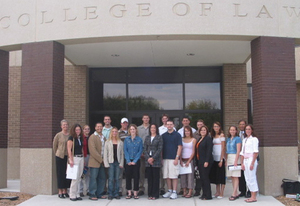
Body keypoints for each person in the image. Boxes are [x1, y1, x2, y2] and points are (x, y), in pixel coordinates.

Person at [162, 120, 182, 200]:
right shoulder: (163, 135)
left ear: (173, 125)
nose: (169, 126)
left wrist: (177, 158)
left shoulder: (177, 135)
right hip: (165, 158)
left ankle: (174, 192)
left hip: (174, 158)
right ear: (166, 126)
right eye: (168, 124)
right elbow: (161, 148)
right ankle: (169, 190)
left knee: (174, 176)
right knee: (167, 176)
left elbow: (180, 147)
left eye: (171, 124)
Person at [143, 124, 163, 200]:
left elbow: (160, 149)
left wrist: (153, 158)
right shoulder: (147, 137)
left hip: (156, 161)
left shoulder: (159, 137)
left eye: (154, 128)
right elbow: (144, 148)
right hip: (148, 161)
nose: (153, 129)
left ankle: (155, 194)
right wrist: (148, 158)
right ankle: (150, 194)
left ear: (156, 129)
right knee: (149, 178)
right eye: (151, 128)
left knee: (156, 178)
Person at [240, 124, 259, 203]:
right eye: (246, 129)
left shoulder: (254, 139)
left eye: (249, 129)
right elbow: (242, 152)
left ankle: (254, 196)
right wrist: (242, 163)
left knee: (252, 177)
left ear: (252, 130)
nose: (247, 131)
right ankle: (251, 194)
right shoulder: (244, 140)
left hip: (251, 159)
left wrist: (252, 163)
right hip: (245, 159)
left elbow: (255, 152)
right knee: (247, 178)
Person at [104, 127, 124, 200]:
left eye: (116, 131)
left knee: (117, 178)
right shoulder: (107, 142)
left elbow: (122, 154)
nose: (114, 133)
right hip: (110, 162)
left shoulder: (120, 142)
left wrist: (121, 163)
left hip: (118, 162)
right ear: (111, 133)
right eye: (113, 131)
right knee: (111, 178)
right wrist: (106, 163)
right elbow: (105, 153)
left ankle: (116, 193)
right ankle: (110, 193)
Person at [124, 124, 143, 199]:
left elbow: (140, 150)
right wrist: (128, 160)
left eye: (133, 129)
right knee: (128, 176)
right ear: (129, 130)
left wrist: (135, 160)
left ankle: (135, 192)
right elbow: (125, 150)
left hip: (136, 160)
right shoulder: (126, 139)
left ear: (136, 130)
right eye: (131, 129)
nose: (132, 130)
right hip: (128, 160)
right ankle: (129, 192)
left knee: (136, 176)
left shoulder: (139, 139)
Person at [88, 122, 107, 200]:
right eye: (98, 127)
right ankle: (92, 194)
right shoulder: (92, 137)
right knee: (93, 178)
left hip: (102, 162)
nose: (99, 128)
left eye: (101, 126)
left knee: (102, 178)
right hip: (95, 161)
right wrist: (101, 159)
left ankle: (100, 193)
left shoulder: (104, 137)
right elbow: (93, 151)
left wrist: (105, 160)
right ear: (95, 128)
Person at [53, 119, 71, 198]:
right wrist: (58, 153)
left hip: (68, 157)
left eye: (66, 124)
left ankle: (65, 190)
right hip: (60, 156)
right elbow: (55, 146)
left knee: (67, 174)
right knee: (60, 173)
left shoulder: (70, 135)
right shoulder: (58, 135)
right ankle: (60, 191)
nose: (65, 126)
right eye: (64, 125)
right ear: (61, 126)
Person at [67, 123, 84, 201]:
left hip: (81, 157)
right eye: (76, 130)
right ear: (74, 130)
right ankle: (72, 194)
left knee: (79, 177)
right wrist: (71, 160)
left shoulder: (80, 138)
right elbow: (69, 150)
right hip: (75, 158)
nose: (78, 131)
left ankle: (77, 193)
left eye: (79, 129)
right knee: (75, 178)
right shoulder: (71, 138)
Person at [195, 125, 213, 200]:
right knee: (202, 178)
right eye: (201, 130)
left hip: (205, 162)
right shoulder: (200, 139)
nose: (203, 131)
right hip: (200, 161)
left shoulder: (208, 139)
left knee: (205, 178)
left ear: (207, 131)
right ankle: (204, 194)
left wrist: (206, 161)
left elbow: (209, 150)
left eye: (204, 130)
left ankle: (208, 195)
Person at [209, 122, 226, 198]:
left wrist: (221, 159)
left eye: (217, 126)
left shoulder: (221, 135)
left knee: (221, 176)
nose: (216, 128)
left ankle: (221, 193)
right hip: (214, 157)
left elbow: (223, 148)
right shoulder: (212, 136)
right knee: (216, 176)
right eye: (214, 126)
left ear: (219, 127)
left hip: (220, 158)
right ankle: (217, 192)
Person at [225, 126, 242, 201]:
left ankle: (234, 193)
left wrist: (236, 161)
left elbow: (238, 150)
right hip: (229, 157)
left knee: (236, 176)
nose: (232, 131)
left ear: (236, 131)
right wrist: (226, 160)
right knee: (232, 176)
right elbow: (226, 150)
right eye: (231, 130)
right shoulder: (228, 139)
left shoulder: (238, 139)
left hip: (235, 157)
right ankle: (235, 191)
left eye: (233, 130)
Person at [180, 126, 196, 198]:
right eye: (186, 131)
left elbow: (193, 152)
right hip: (182, 160)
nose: (187, 132)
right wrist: (180, 160)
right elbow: (180, 150)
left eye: (188, 131)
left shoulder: (193, 140)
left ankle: (190, 191)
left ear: (190, 132)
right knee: (183, 176)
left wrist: (189, 161)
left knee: (190, 176)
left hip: (190, 160)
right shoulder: (181, 139)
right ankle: (184, 191)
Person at [137, 114, 150, 196]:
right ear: (142, 119)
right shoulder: (138, 129)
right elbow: (138, 141)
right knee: (141, 171)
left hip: (150, 153)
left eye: (147, 118)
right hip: (141, 153)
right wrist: (140, 151)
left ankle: (150, 187)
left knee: (150, 171)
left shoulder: (152, 127)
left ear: (149, 119)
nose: (145, 119)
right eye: (144, 118)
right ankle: (141, 188)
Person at [193, 119, 205, 196]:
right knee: (197, 175)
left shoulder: (207, 134)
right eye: (198, 125)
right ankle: (197, 190)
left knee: (204, 175)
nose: (199, 126)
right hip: (196, 157)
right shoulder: (194, 134)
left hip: (204, 157)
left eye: (201, 125)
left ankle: (205, 190)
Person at [238, 119, 249, 198]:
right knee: (240, 175)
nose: (242, 126)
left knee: (248, 175)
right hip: (240, 157)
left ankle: (249, 191)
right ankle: (242, 191)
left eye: (243, 124)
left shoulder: (248, 135)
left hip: (247, 157)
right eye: (240, 124)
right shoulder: (237, 134)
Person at [118, 117, 129, 196]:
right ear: (121, 124)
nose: (125, 124)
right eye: (123, 123)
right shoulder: (118, 133)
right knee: (120, 174)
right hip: (121, 156)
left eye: (126, 123)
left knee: (129, 174)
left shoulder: (130, 132)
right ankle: (119, 189)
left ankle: (128, 189)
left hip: (129, 156)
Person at [79, 125, 90, 197]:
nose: (87, 130)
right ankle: (80, 190)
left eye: (88, 129)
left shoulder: (91, 138)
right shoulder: (80, 138)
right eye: (85, 129)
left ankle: (88, 190)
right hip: (82, 156)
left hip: (89, 156)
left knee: (88, 174)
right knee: (81, 174)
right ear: (83, 130)